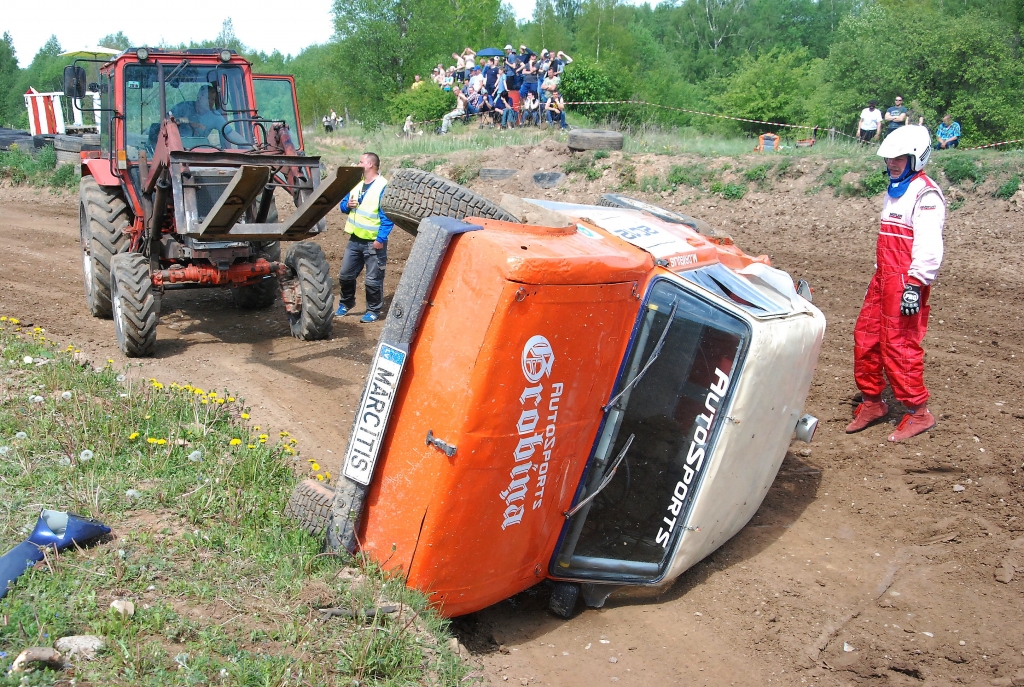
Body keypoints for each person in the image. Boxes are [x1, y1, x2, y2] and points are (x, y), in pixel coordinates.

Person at [846, 125, 945, 442]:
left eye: (899, 158)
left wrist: (915, 286)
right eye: (889, 158)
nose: (892, 163)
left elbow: (929, 247)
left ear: (916, 158)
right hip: (884, 279)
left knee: (900, 348)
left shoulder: (926, 195)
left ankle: (919, 413)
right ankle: (873, 402)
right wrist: (878, 276)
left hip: (906, 282)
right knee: (866, 338)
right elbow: (887, 241)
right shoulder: (895, 190)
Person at [336, 152, 393, 323]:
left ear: (370, 164)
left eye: (360, 161)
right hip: (355, 240)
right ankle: (346, 303)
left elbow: (388, 217)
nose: (357, 164)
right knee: (345, 275)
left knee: (373, 280)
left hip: (373, 242)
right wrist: (347, 205)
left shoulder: (383, 186)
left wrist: (380, 239)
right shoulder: (356, 183)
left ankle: (373, 311)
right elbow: (343, 206)